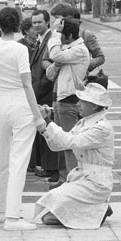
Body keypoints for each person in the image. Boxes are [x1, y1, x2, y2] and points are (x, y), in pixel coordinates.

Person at [0, 5, 46, 231]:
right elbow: (27, 85)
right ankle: (12, 216)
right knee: (19, 161)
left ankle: (1, 211)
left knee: (1, 161)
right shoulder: (20, 50)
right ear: (19, 24)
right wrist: (38, 117)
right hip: (19, 103)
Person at [34, 83, 114, 229]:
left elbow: (69, 142)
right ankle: (96, 209)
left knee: (50, 217)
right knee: (48, 209)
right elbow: (58, 145)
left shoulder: (101, 128)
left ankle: (98, 210)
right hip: (81, 178)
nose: (78, 105)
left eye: (82, 102)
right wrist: (46, 125)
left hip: (97, 184)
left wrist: (47, 121)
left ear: (94, 106)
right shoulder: (83, 123)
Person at [46, 18, 90, 189]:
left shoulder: (79, 50)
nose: (59, 39)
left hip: (70, 100)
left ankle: (73, 182)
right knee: (62, 142)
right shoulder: (66, 51)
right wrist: (57, 61)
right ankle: (65, 179)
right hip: (59, 99)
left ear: (69, 35)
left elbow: (54, 54)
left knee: (70, 143)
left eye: (61, 35)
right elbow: (50, 73)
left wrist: (55, 33)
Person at [29, 9, 57, 182]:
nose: (37, 25)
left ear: (47, 22)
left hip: (45, 92)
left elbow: (50, 70)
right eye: (34, 22)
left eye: (39, 22)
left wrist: (37, 90)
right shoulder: (40, 40)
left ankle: (52, 168)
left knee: (49, 130)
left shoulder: (50, 41)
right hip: (39, 90)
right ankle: (47, 166)